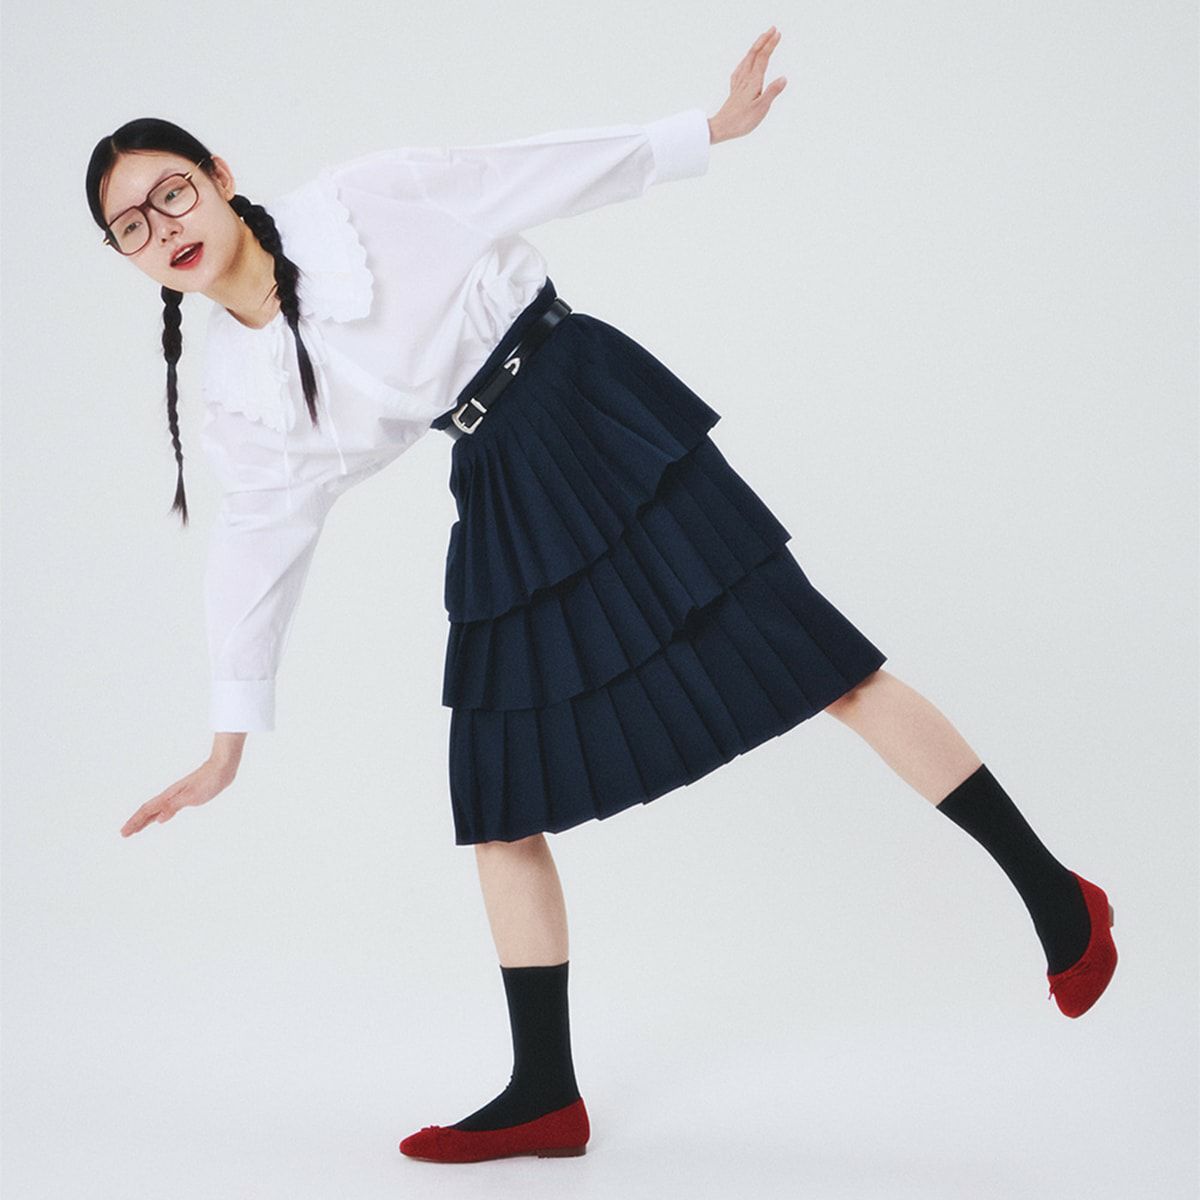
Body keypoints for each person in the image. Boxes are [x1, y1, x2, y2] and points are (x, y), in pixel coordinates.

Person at [95, 25, 1117, 1165]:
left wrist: (700, 132)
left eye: (172, 192)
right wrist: (229, 738)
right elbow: (261, 534)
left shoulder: (359, 204)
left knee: (824, 665)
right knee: (496, 790)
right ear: (128, 257)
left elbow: (523, 173)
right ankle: (545, 1090)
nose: (164, 228)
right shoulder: (236, 389)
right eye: (132, 226)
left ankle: (1057, 897)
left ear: (219, 176)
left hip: (584, 400)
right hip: (498, 475)